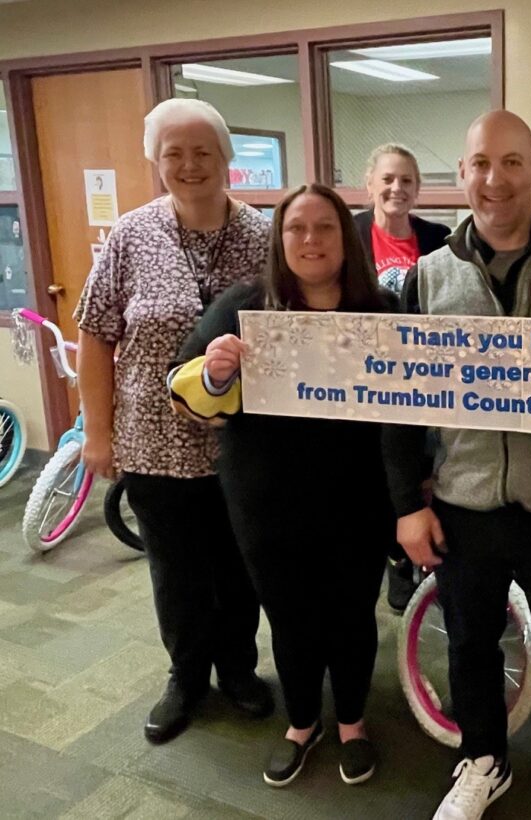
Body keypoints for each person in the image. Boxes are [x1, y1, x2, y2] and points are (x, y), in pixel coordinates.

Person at [382, 110, 531, 820]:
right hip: (462, 503)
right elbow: (399, 400)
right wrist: (407, 506)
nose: (493, 179)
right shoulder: (427, 277)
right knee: (470, 642)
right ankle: (483, 763)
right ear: (461, 175)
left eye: (511, 162)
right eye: (479, 163)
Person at [169, 183, 395, 787]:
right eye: (296, 228)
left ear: (345, 239)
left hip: (359, 500)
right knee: (290, 615)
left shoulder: (380, 313)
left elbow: (410, 414)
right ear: (279, 238)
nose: (310, 240)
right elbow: (185, 389)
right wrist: (216, 371)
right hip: (266, 500)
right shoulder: (245, 306)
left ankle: (351, 721)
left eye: (324, 227)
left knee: (352, 614)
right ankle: (301, 722)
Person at [74, 98, 273, 744]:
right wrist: (96, 432)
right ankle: (186, 677)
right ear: (155, 162)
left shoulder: (264, 238)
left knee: (239, 566)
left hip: (240, 445)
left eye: (203, 152)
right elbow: (94, 334)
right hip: (152, 442)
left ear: (227, 160)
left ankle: (239, 671)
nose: (189, 166)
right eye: (173, 154)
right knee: (176, 570)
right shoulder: (130, 237)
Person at [354, 143, 450, 613]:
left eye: (407, 181)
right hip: (362, 377)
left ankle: (419, 558)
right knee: (376, 470)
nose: (397, 188)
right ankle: (393, 559)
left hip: (422, 378)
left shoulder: (440, 238)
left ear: (418, 189)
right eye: (388, 179)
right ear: (370, 183)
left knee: (420, 468)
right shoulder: (347, 236)